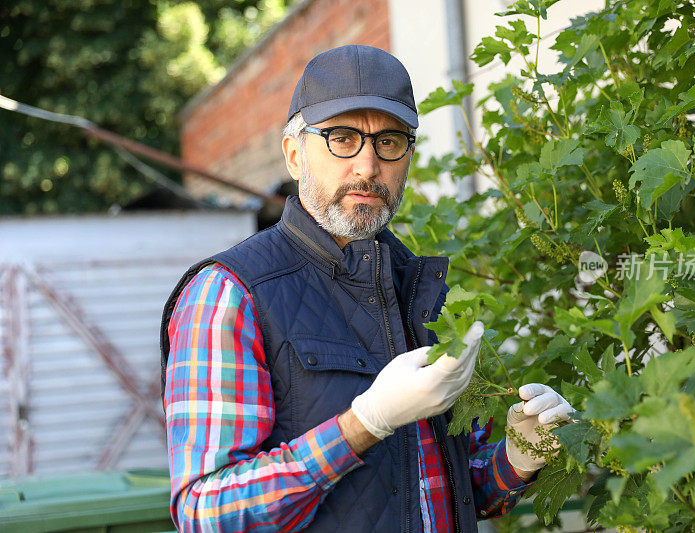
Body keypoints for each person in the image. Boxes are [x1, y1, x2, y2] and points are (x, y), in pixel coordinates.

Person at [160, 44, 573, 533]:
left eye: (389, 141)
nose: (368, 165)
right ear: (294, 154)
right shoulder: (230, 294)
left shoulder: (419, 287)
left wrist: (518, 454)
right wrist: (365, 424)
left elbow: (445, 490)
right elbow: (205, 512)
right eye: (342, 137)